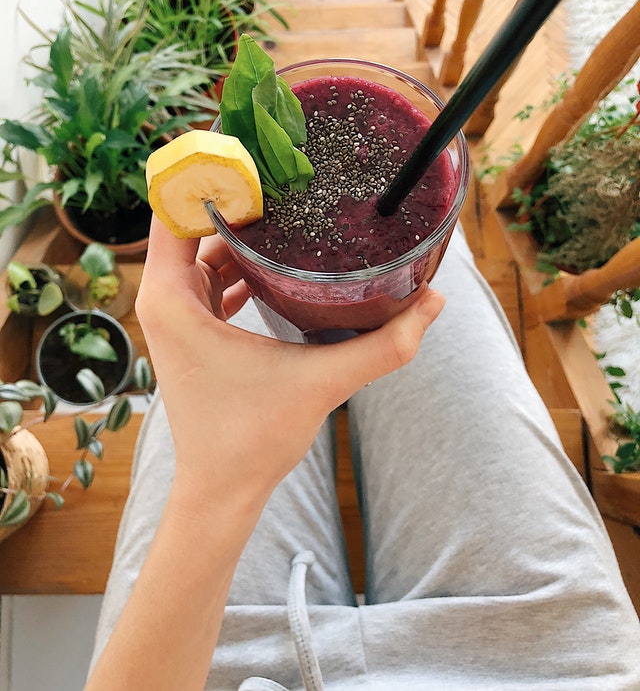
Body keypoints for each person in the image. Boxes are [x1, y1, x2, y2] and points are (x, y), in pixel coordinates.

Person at [85, 217, 640, 691]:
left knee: (239, 287)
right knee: (425, 263)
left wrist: (217, 486)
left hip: (207, 657)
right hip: (540, 656)